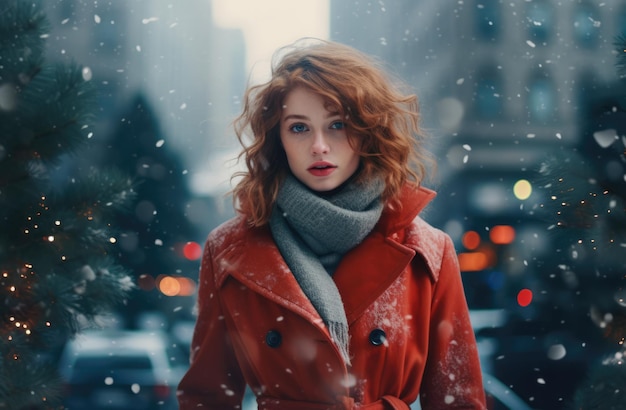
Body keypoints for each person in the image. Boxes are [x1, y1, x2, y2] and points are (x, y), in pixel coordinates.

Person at [177, 39, 486, 409]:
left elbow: (459, 400)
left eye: (337, 124)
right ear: (278, 138)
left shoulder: (428, 251)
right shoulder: (231, 251)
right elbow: (208, 397)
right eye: (299, 128)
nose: (319, 146)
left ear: (367, 132)